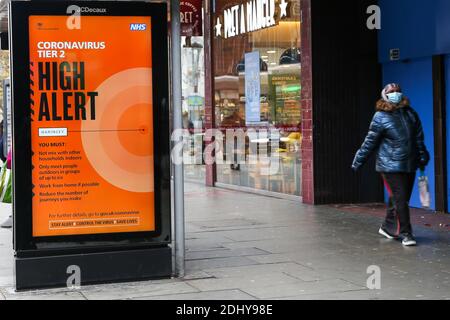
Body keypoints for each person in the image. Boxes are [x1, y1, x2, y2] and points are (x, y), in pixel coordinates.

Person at [352, 83, 430, 247]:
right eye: (391, 92)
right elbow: (370, 142)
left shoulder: (410, 113)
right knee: (400, 199)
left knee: (399, 199)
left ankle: (388, 228)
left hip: (409, 164)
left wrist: (423, 155)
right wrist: (358, 161)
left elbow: (418, 138)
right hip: (389, 165)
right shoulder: (380, 116)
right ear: (385, 95)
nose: (395, 93)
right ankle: (406, 234)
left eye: (398, 91)